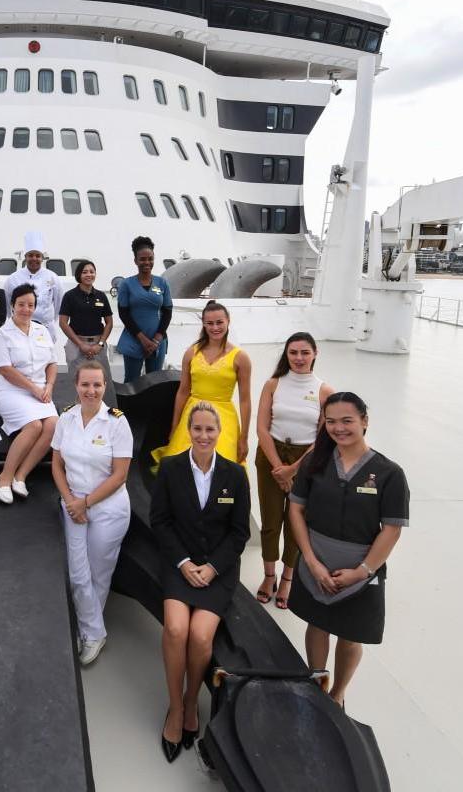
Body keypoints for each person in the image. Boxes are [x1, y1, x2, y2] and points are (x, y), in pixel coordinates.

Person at [286, 392, 409, 709]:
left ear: (365, 422)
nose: (338, 428)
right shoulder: (315, 464)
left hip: (360, 568)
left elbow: (391, 530)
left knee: (350, 633)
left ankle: (337, 692)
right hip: (317, 561)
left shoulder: (389, 474)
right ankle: (317, 679)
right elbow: (296, 511)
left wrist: (362, 571)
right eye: (331, 421)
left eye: (347, 421)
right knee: (318, 623)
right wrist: (312, 563)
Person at [149, 402, 250, 763]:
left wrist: (213, 567)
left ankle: (193, 701)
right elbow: (159, 521)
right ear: (188, 431)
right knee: (176, 629)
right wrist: (184, 562)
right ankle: (176, 708)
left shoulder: (235, 475)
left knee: (201, 635)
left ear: (219, 432)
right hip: (179, 566)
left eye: (210, 429)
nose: (204, 436)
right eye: (197, 429)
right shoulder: (171, 468)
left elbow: (239, 533)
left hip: (217, 571)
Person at [51, 360, 133, 665]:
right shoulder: (66, 419)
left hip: (108, 508)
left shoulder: (116, 422)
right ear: (76, 385)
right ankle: (95, 631)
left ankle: (88, 633)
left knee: (99, 572)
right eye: (85, 384)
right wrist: (72, 500)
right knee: (77, 573)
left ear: (103, 387)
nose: (91, 390)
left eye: (97, 384)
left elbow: (119, 475)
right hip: (73, 504)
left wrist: (85, 503)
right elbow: (57, 465)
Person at [254, 333, 333, 608]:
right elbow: (262, 428)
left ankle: (287, 579)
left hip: (307, 460)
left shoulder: (324, 391)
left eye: (304, 352)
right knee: (271, 519)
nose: (299, 358)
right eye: (293, 353)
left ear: (315, 353)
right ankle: (269, 575)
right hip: (271, 456)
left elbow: (323, 437)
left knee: (297, 522)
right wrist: (279, 467)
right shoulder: (273, 384)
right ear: (286, 355)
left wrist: (293, 470)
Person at [152, 301, 252, 467]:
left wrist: (244, 437)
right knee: (181, 466)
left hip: (224, 418)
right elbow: (183, 391)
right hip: (192, 415)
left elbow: (245, 400)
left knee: (221, 466)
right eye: (210, 323)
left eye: (219, 322)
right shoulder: (192, 353)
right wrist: (175, 426)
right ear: (204, 324)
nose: (215, 328)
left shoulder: (241, 358)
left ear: (228, 321)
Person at [0, 283, 58, 504]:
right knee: (34, 425)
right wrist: (35, 389)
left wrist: (49, 387)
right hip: (10, 391)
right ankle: (3, 478)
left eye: (30, 305)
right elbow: (5, 370)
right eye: (21, 305)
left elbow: (52, 362)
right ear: (12, 306)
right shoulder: (1, 335)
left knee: (54, 425)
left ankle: (21, 476)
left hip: (40, 390)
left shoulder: (42, 331)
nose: (26, 309)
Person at [116, 235, 173, 382]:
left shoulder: (162, 283)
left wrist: (156, 340)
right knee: (131, 382)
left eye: (150, 259)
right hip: (134, 340)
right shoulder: (126, 284)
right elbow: (124, 314)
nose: (146, 262)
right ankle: (129, 407)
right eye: (142, 259)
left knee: (154, 382)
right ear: (135, 261)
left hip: (157, 342)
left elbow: (167, 311)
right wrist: (142, 339)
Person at [3, 230, 62, 334]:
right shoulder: (13, 278)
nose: (34, 258)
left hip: (45, 329)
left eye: (37, 256)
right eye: (30, 255)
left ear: (42, 258)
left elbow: (59, 303)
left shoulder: (52, 277)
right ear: (25, 257)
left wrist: (52, 321)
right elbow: (7, 306)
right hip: (19, 328)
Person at [57, 259, 113, 369]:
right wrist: (80, 344)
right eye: (85, 272)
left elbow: (109, 322)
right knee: (76, 382)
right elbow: (63, 323)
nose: (89, 275)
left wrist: (100, 344)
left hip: (98, 345)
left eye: (92, 272)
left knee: (100, 381)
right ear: (79, 275)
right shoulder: (70, 296)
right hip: (76, 345)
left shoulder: (101, 296)